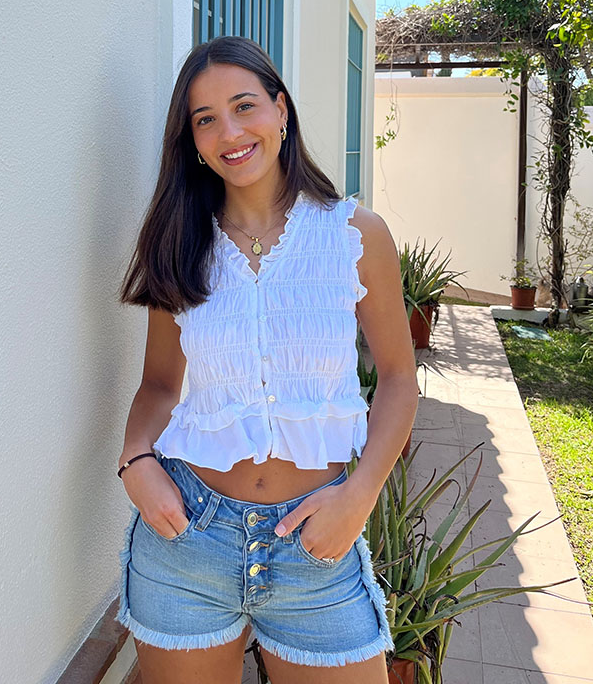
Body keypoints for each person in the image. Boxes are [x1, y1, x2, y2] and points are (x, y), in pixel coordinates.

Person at [114, 35, 416, 683]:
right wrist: (135, 460)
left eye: (245, 106)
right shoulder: (181, 242)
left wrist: (359, 496)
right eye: (206, 119)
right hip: (188, 536)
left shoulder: (354, 235)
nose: (230, 131)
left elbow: (397, 378)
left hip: (316, 539)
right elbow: (159, 386)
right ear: (192, 142)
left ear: (281, 111)